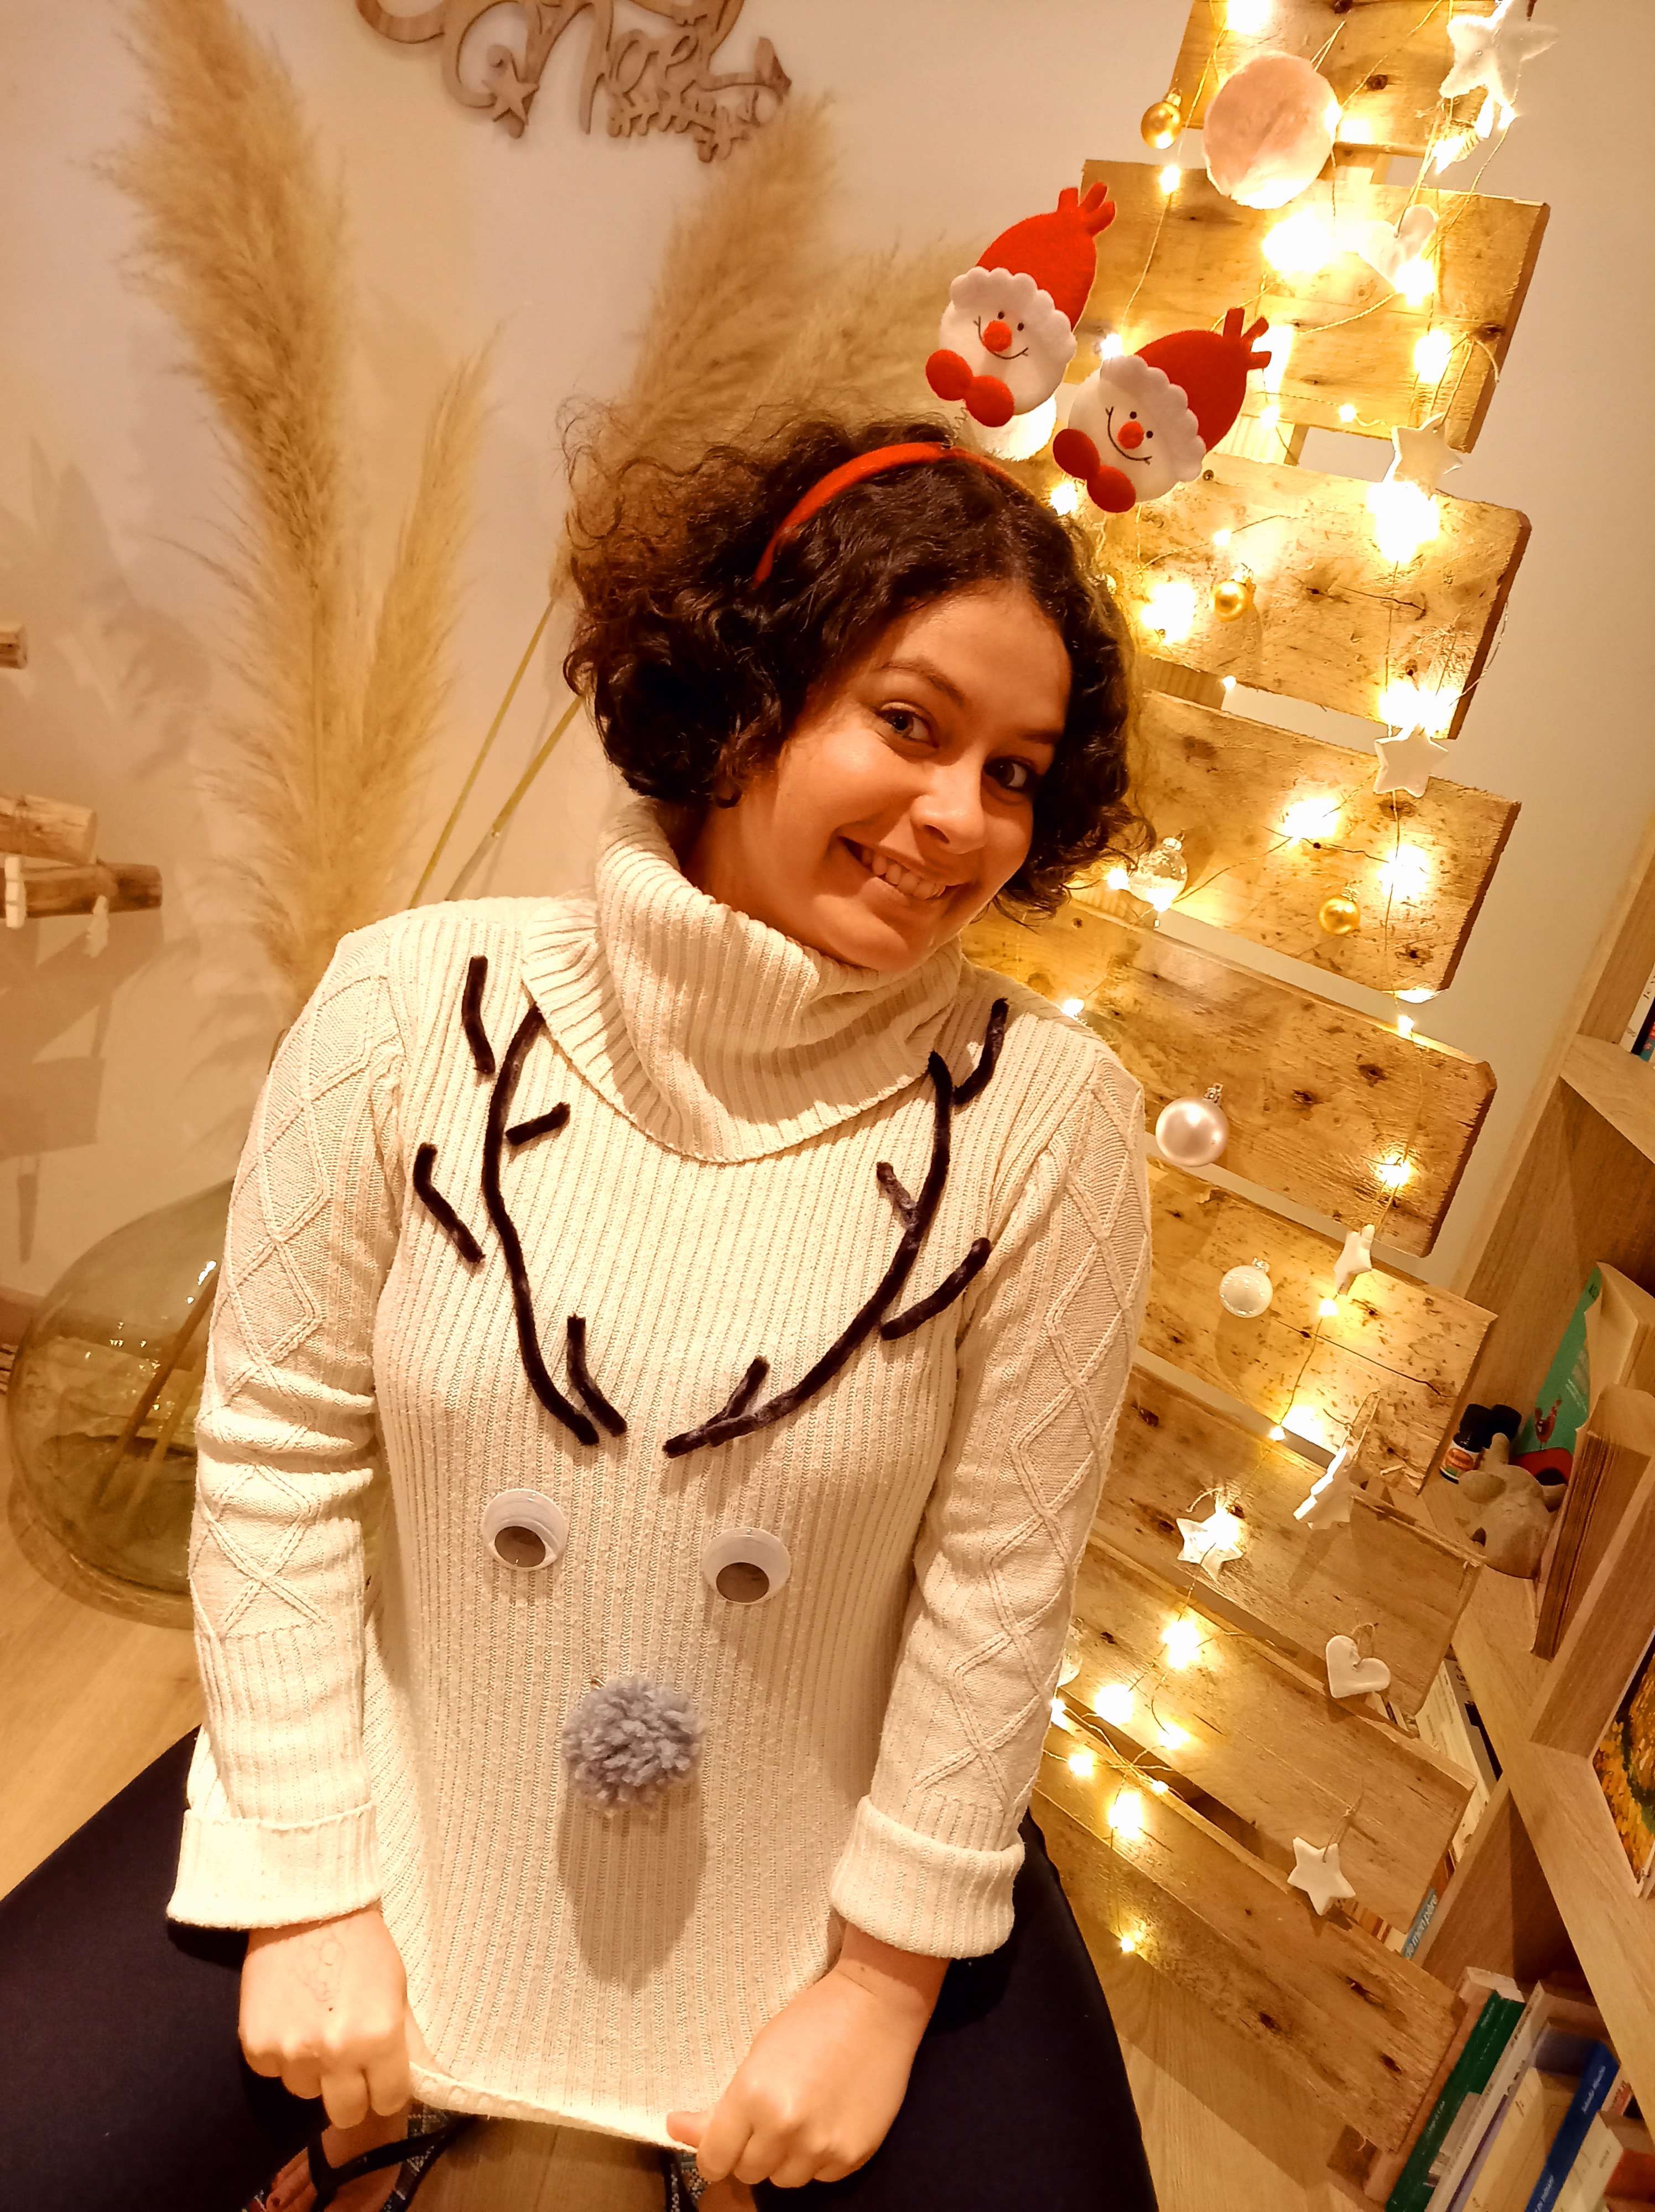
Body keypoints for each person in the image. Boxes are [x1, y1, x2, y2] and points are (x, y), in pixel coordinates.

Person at [165, 416, 1158, 2211]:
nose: (961, 819)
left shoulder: (1048, 1119)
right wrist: (308, 1889)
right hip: (391, 1796)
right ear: (743, 695)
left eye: (1016, 771)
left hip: (814, 1873)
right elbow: (273, 1460)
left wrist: (881, 1986)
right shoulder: (408, 1005)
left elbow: (1001, 1582)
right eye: (910, 723)